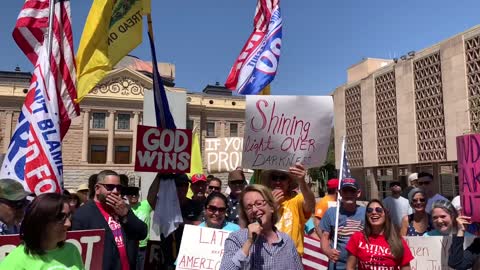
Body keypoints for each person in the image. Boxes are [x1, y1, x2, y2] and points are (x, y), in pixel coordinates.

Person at [72, 170, 147, 270]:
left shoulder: (124, 208)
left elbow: (142, 233)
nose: (115, 191)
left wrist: (126, 214)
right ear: (97, 189)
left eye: (119, 188)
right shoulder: (82, 214)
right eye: (110, 187)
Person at [219, 184, 303, 269]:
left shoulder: (287, 241)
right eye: (249, 207)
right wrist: (249, 242)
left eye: (259, 203)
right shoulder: (236, 239)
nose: (254, 210)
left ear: (271, 207)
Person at [0, 193, 84, 269]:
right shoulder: (17, 260)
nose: (68, 224)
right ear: (40, 220)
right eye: (61, 217)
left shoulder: (72, 251)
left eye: (68, 216)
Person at [260, 163, 315, 255]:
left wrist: (302, 181)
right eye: (274, 178)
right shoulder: (260, 201)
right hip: (268, 255)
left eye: (282, 178)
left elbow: (310, 204)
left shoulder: (296, 200)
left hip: (292, 256)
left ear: (288, 181)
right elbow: (258, 226)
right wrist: (271, 206)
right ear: (270, 181)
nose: (278, 182)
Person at [346, 199, 414, 270]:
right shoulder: (357, 237)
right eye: (369, 210)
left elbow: (406, 268)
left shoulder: (398, 241)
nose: (374, 212)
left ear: (386, 214)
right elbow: (350, 267)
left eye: (378, 210)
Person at [320, 177, 366, 270]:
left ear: (358, 193)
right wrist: (328, 251)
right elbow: (324, 237)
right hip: (338, 265)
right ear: (340, 193)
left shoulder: (366, 212)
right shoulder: (331, 212)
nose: (349, 194)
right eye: (345, 191)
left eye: (352, 191)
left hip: (360, 264)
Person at [125, 186, 152, 270]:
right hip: (130, 247)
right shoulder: (125, 209)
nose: (133, 196)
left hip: (144, 246)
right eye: (131, 194)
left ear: (138, 195)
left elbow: (154, 195)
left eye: (135, 194)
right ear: (126, 196)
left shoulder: (146, 204)